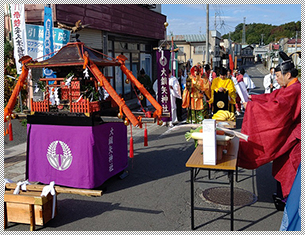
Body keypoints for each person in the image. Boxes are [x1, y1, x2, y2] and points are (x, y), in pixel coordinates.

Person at [238, 51, 301, 210]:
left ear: (288, 75)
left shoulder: (295, 89)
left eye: (279, 76)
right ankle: (283, 198)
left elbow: (276, 108)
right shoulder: (289, 87)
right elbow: (272, 97)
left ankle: (289, 202)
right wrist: (254, 99)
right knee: (284, 168)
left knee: (290, 170)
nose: (277, 79)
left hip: (295, 140)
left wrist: (251, 107)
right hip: (289, 136)